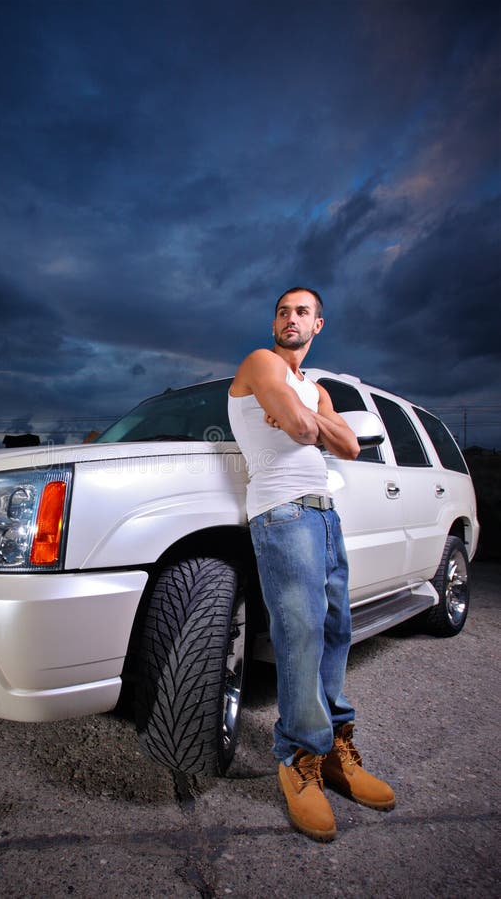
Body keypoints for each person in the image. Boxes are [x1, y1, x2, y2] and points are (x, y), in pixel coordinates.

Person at [227, 286, 395, 842]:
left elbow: (348, 447)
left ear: (318, 324)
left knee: (335, 631)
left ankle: (334, 751)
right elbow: (305, 432)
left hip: (325, 515)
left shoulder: (315, 388)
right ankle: (298, 757)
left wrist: (306, 415)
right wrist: (305, 422)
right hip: (281, 513)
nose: (290, 318)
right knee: (299, 634)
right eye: (282, 311)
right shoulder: (260, 363)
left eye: (302, 312)